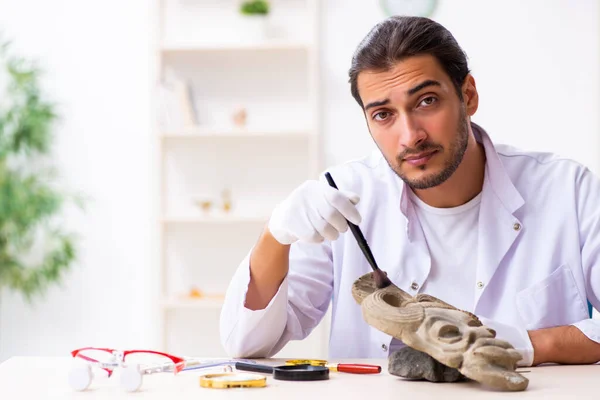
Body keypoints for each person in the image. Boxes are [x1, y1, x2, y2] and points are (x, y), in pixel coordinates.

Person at [219, 16, 600, 367]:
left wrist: (530, 345)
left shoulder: (567, 190)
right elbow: (246, 344)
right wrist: (276, 236)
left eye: (426, 101)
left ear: (468, 95)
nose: (410, 136)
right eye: (383, 114)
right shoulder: (341, 198)